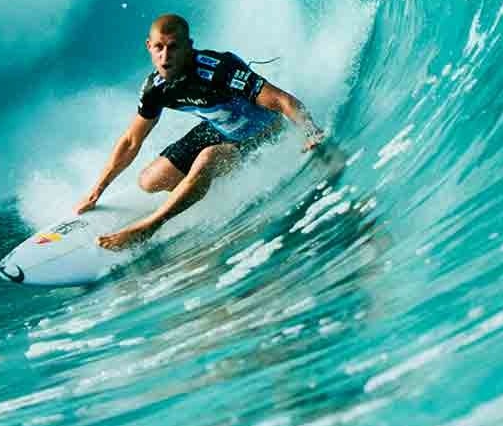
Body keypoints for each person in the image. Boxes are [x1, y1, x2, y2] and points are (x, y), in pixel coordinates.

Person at [76, 13, 327, 249]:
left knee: (207, 160)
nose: (165, 56)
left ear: (189, 46)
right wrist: (98, 190)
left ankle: (149, 226)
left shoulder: (220, 70)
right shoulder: (157, 87)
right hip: (218, 128)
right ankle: (200, 184)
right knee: (149, 182)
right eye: (159, 47)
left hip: (259, 131)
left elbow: (281, 100)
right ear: (148, 47)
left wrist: (311, 132)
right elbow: (132, 141)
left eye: (173, 46)